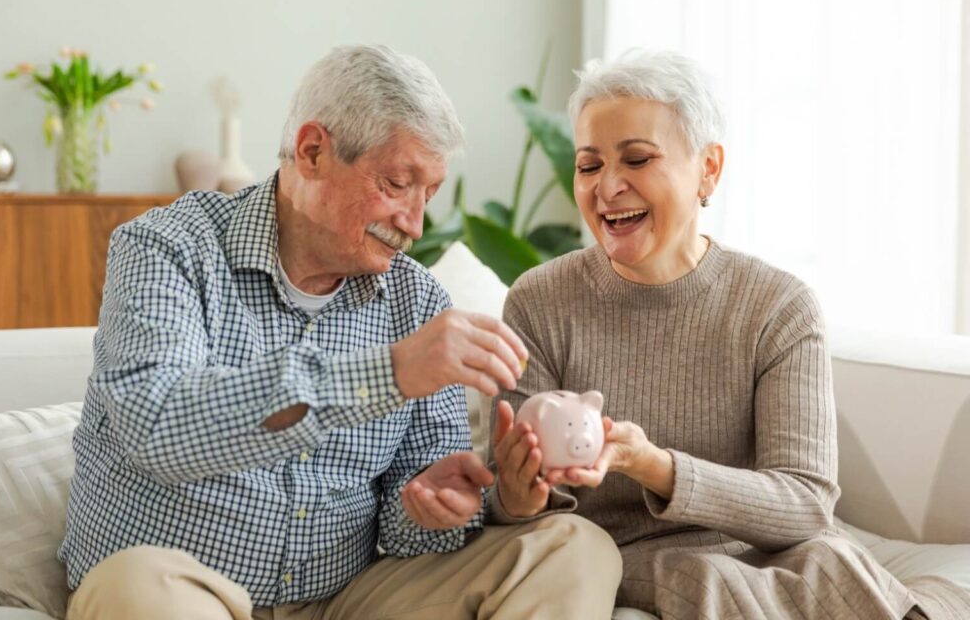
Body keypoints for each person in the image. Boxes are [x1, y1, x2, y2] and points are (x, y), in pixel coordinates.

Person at [59, 45, 621, 620]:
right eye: (398, 183)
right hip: (180, 585)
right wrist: (391, 372)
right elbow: (157, 427)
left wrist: (447, 504)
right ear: (312, 152)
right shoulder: (168, 248)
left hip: (342, 602)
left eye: (429, 194)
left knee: (578, 550)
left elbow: (413, 532)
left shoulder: (418, 301)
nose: (414, 222)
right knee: (137, 588)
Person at [488, 48, 970, 619]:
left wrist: (653, 465)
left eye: (637, 160)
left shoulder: (777, 306)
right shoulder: (539, 302)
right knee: (703, 577)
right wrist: (518, 492)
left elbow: (805, 505)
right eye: (589, 166)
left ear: (708, 169)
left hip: (769, 547)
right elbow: (517, 510)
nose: (607, 187)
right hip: (620, 555)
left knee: (829, 563)